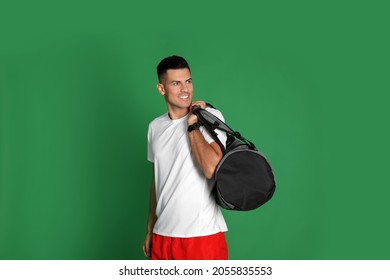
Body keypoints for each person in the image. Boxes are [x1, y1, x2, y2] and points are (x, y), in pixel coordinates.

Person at [142, 55, 228, 260]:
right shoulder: (155, 127)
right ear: (161, 89)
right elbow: (157, 180)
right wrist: (150, 229)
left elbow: (210, 168)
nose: (185, 90)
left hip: (201, 235)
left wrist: (193, 125)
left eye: (188, 81)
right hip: (162, 235)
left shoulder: (209, 117)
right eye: (176, 83)